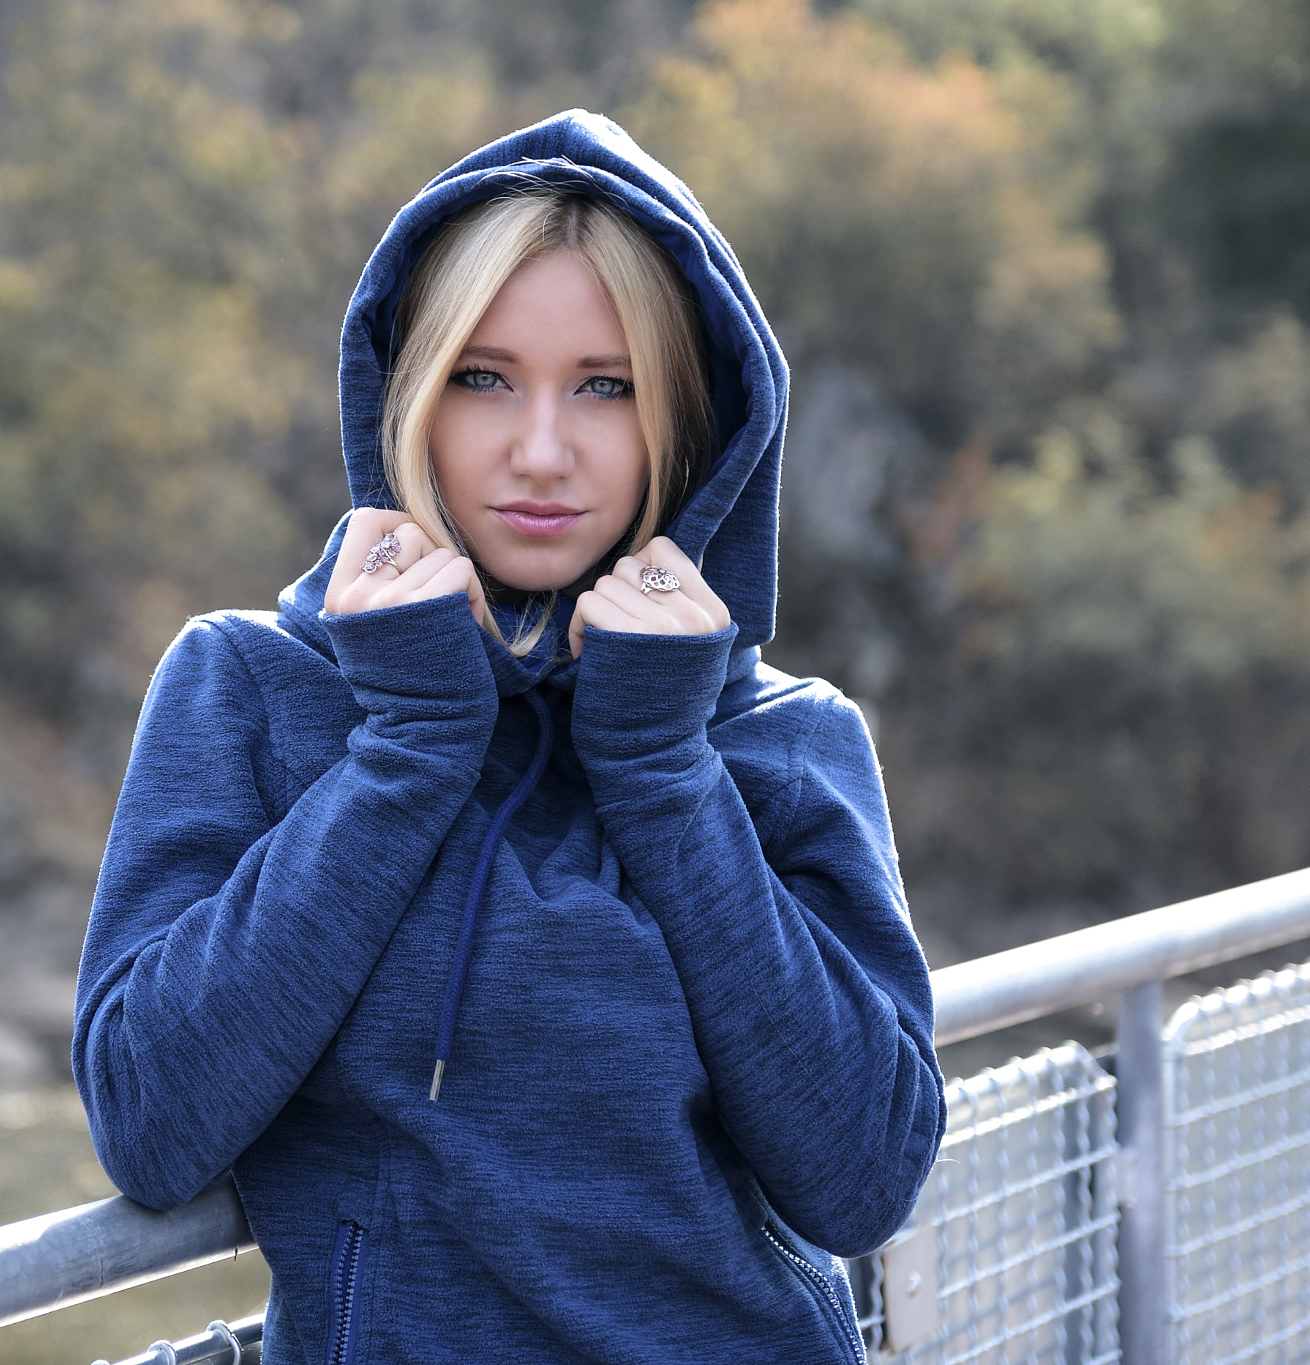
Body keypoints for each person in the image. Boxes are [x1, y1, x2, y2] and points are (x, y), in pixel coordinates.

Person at [72, 109, 945, 1364]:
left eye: (607, 387)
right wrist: (408, 747)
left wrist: (661, 767)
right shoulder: (251, 686)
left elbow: (862, 1180)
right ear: (408, 398)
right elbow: (151, 1124)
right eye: (483, 378)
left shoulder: (782, 741)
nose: (541, 452)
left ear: (687, 428)